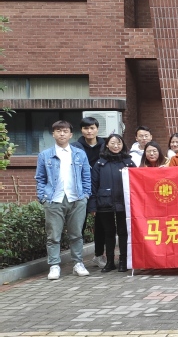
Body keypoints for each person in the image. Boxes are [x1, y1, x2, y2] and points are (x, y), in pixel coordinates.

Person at [35, 120, 92, 280]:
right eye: (58, 131)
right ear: (53, 134)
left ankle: (78, 263)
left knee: (76, 234)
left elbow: (86, 176)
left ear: (71, 134)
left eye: (65, 131)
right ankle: (54, 265)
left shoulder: (79, 154)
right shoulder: (45, 155)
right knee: (53, 236)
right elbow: (40, 178)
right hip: (54, 199)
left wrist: (86, 195)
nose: (62, 134)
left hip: (77, 198)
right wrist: (43, 197)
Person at [89, 134, 137, 273]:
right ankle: (110, 262)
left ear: (123, 145)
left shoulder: (129, 162)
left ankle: (123, 261)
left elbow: (137, 183)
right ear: (107, 145)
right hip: (104, 202)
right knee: (108, 232)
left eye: (119, 143)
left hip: (124, 203)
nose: (116, 146)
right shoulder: (100, 164)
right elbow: (93, 186)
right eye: (113, 143)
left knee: (123, 232)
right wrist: (93, 206)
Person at [74, 116, 107, 269]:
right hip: (81, 190)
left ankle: (99, 255)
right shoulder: (75, 147)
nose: (89, 131)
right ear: (81, 130)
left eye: (92, 128)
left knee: (100, 224)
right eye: (86, 128)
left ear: (97, 129)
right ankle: (78, 259)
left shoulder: (105, 146)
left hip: (100, 189)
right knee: (79, 225)